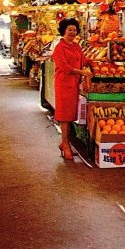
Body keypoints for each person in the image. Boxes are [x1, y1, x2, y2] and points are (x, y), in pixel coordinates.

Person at [52, 18, 92, 160]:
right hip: (63, 85)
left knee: (70, 115)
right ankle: (65, 143)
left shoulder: (76, 46)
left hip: (74, 84)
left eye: (74, 30)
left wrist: (97, 61)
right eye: (69, 29)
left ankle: (64, 143)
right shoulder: (59, 48)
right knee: (64, 116)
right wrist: (82, 72)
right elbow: (64, 67)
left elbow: (83, 60)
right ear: (63, 30)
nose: (72, 32)